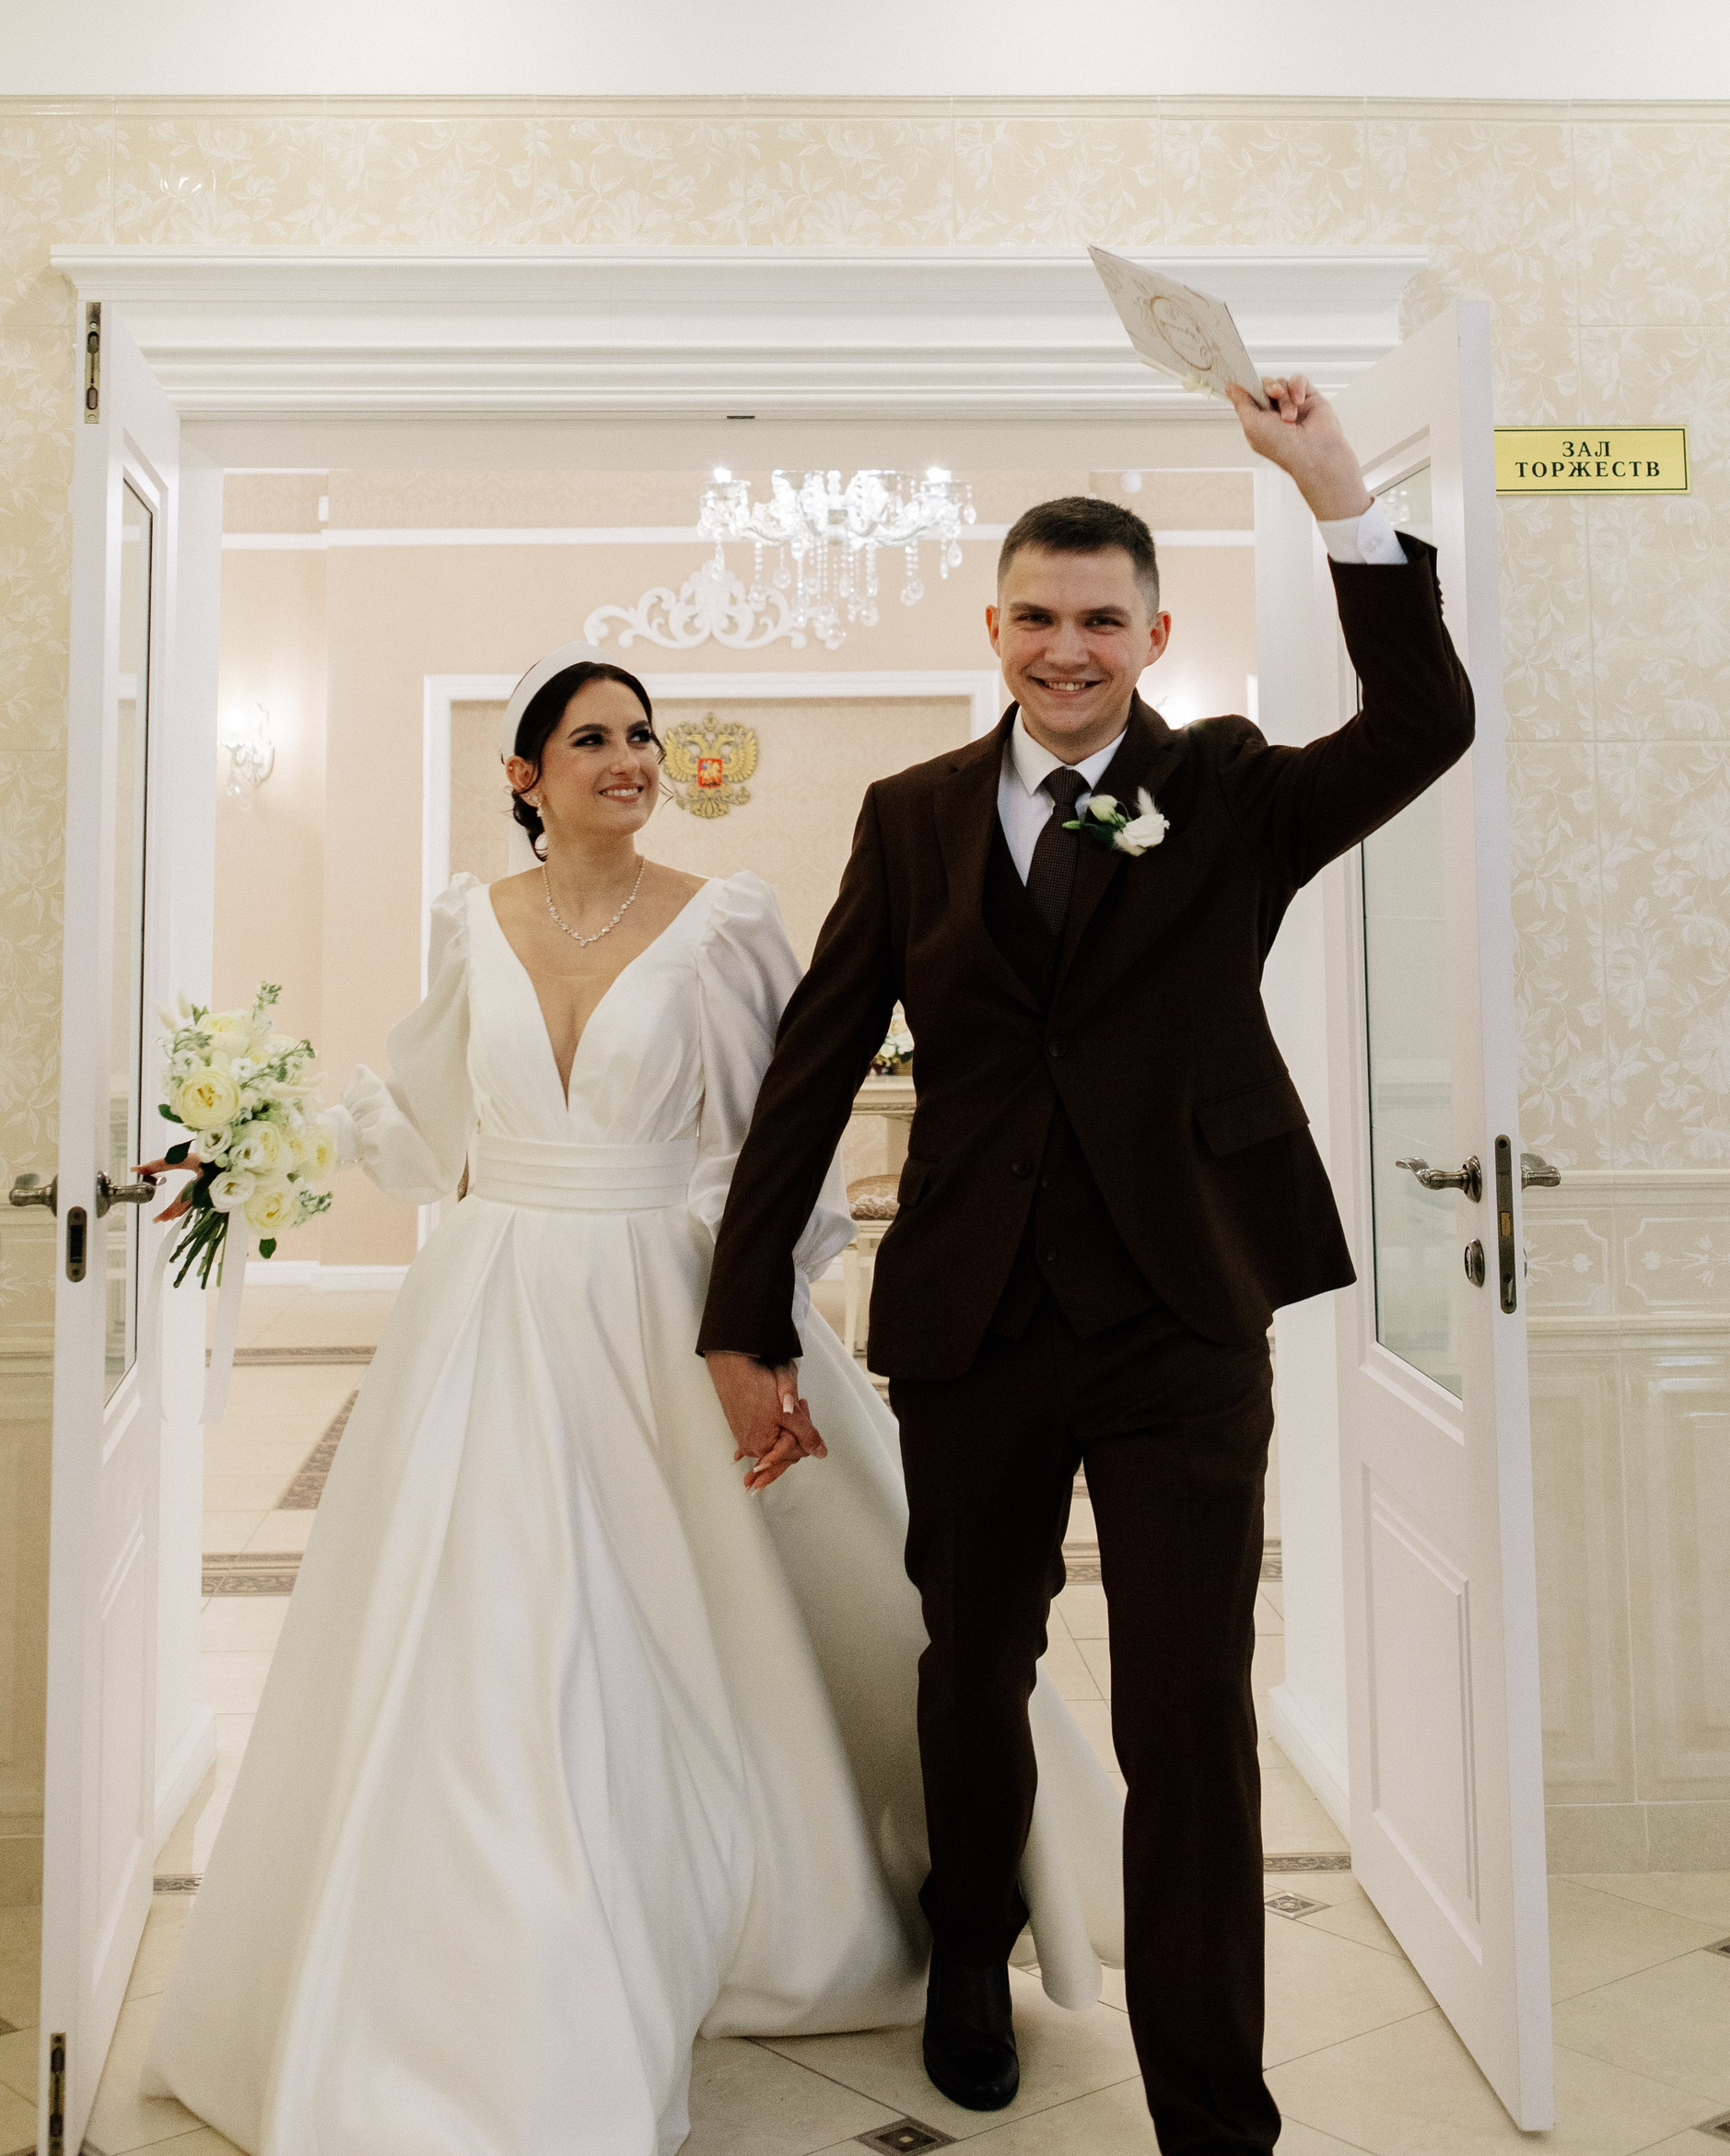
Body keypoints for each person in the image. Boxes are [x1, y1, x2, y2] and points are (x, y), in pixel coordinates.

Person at [146, 648, 1121, 2156]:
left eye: (643, 737)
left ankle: (800, 1904)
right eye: (594, 738)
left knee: (681, 1618)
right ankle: (498, 1966)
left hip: (663, 1305)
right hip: (491, 1307)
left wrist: (764, 1322)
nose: (632, 759)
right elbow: (418, 1126)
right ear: (523, 775)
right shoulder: (469, 920)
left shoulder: (720, 922)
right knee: (497, 1631)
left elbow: (781, 1130)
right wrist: (258, 1139)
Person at [699, 378, 1478, 2146]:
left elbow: (1426, 719)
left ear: (1154, 636)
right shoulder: (911, 814)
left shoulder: (1232, 791)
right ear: (993, 627)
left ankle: (1213, 2103)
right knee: (969, 1666)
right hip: (972, 1321)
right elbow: (817, 1061)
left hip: (1182, 1318)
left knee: (1188, 1708)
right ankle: (969, 1952)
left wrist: (1337, 491)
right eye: (1038, 618)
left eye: (1102, 622)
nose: (1068, 650)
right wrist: (746, 1316)